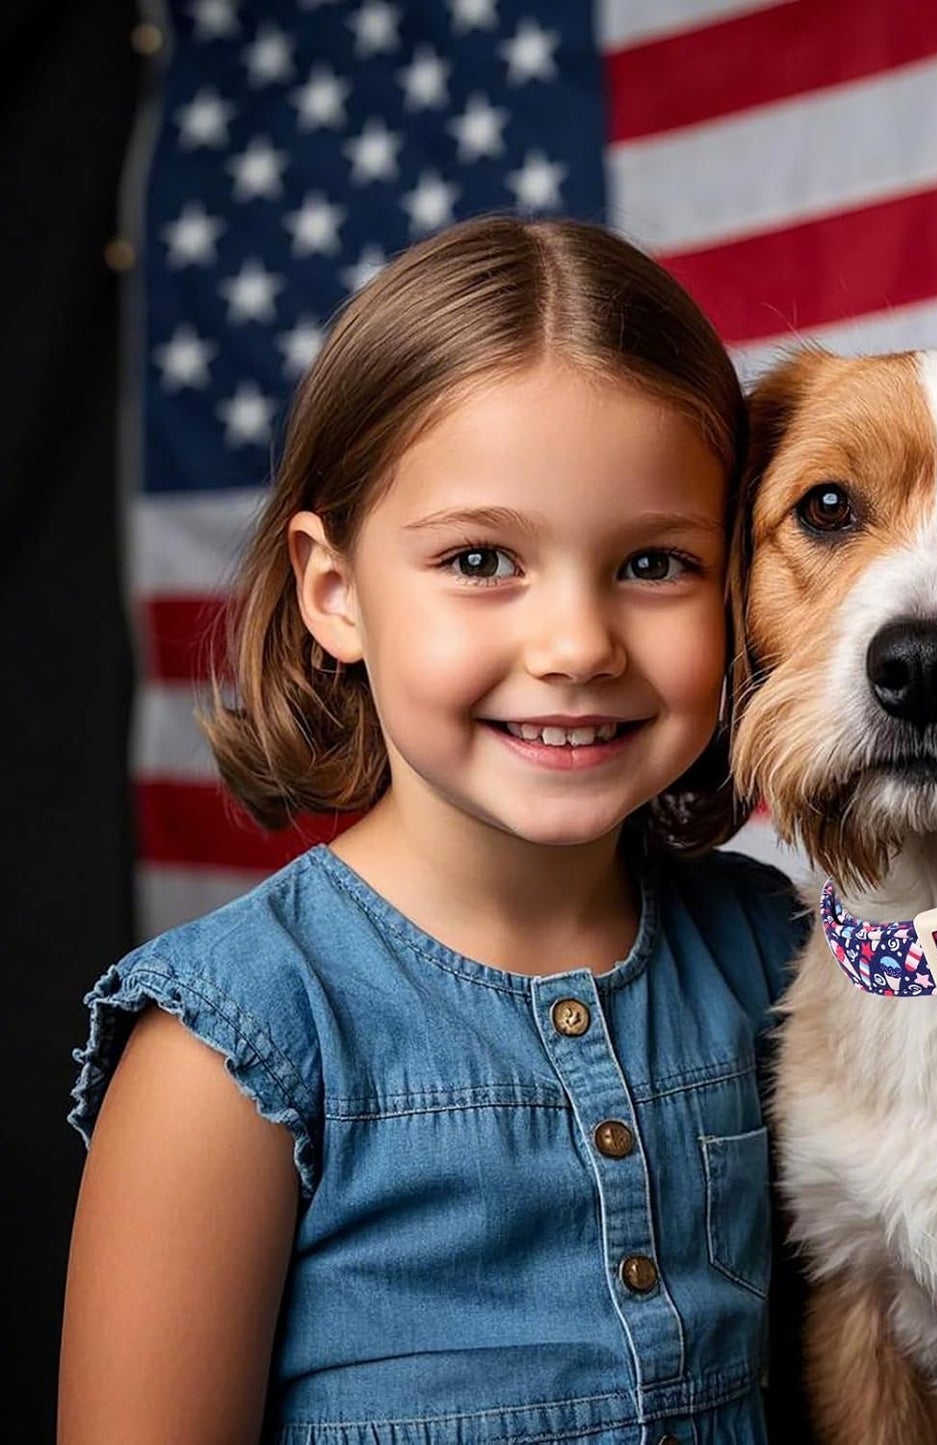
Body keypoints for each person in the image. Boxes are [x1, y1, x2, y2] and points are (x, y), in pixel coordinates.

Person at [58, 215, 807, 1445]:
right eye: (479, 558)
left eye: (655, 563)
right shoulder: (231, 1051)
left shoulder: (774, 959)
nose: (575, 645)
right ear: (335, 591)